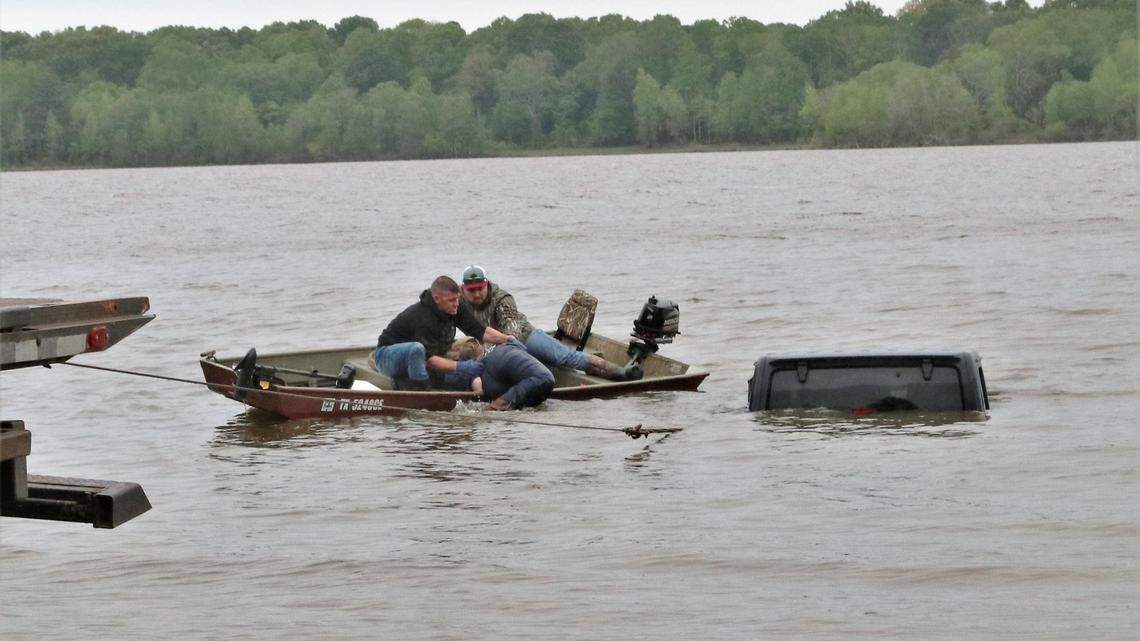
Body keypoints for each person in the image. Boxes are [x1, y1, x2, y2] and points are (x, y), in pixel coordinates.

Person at [458, 265, 641, 381]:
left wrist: (489, 350)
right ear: (463, 289)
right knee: (552, 369)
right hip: (496, 349)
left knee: (566, 358)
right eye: (471, 290)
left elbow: (512, 333)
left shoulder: (502, 299)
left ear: (486, 284)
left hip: (525, 337)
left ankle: (619, 371)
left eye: (480, 289)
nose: (476, 294)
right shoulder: (457, 302)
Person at [374, 275, 511, 390]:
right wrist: (461, 366)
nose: (456, 303)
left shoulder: (455, 307)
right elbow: (430, 359)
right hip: (387, 356)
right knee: (416, 350)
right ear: (437, 299)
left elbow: (480, 331)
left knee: (471, 347)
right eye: (451, 300)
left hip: (429, 355)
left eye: (457, 298)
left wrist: (508, 339)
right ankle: (419, 390)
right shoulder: (422, 317)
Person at [451, 337, 555, 410]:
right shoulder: (506, 346)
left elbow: (478, 388)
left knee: (491, 409)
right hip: (547, 379)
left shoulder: (483, 367)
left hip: (537, 380)